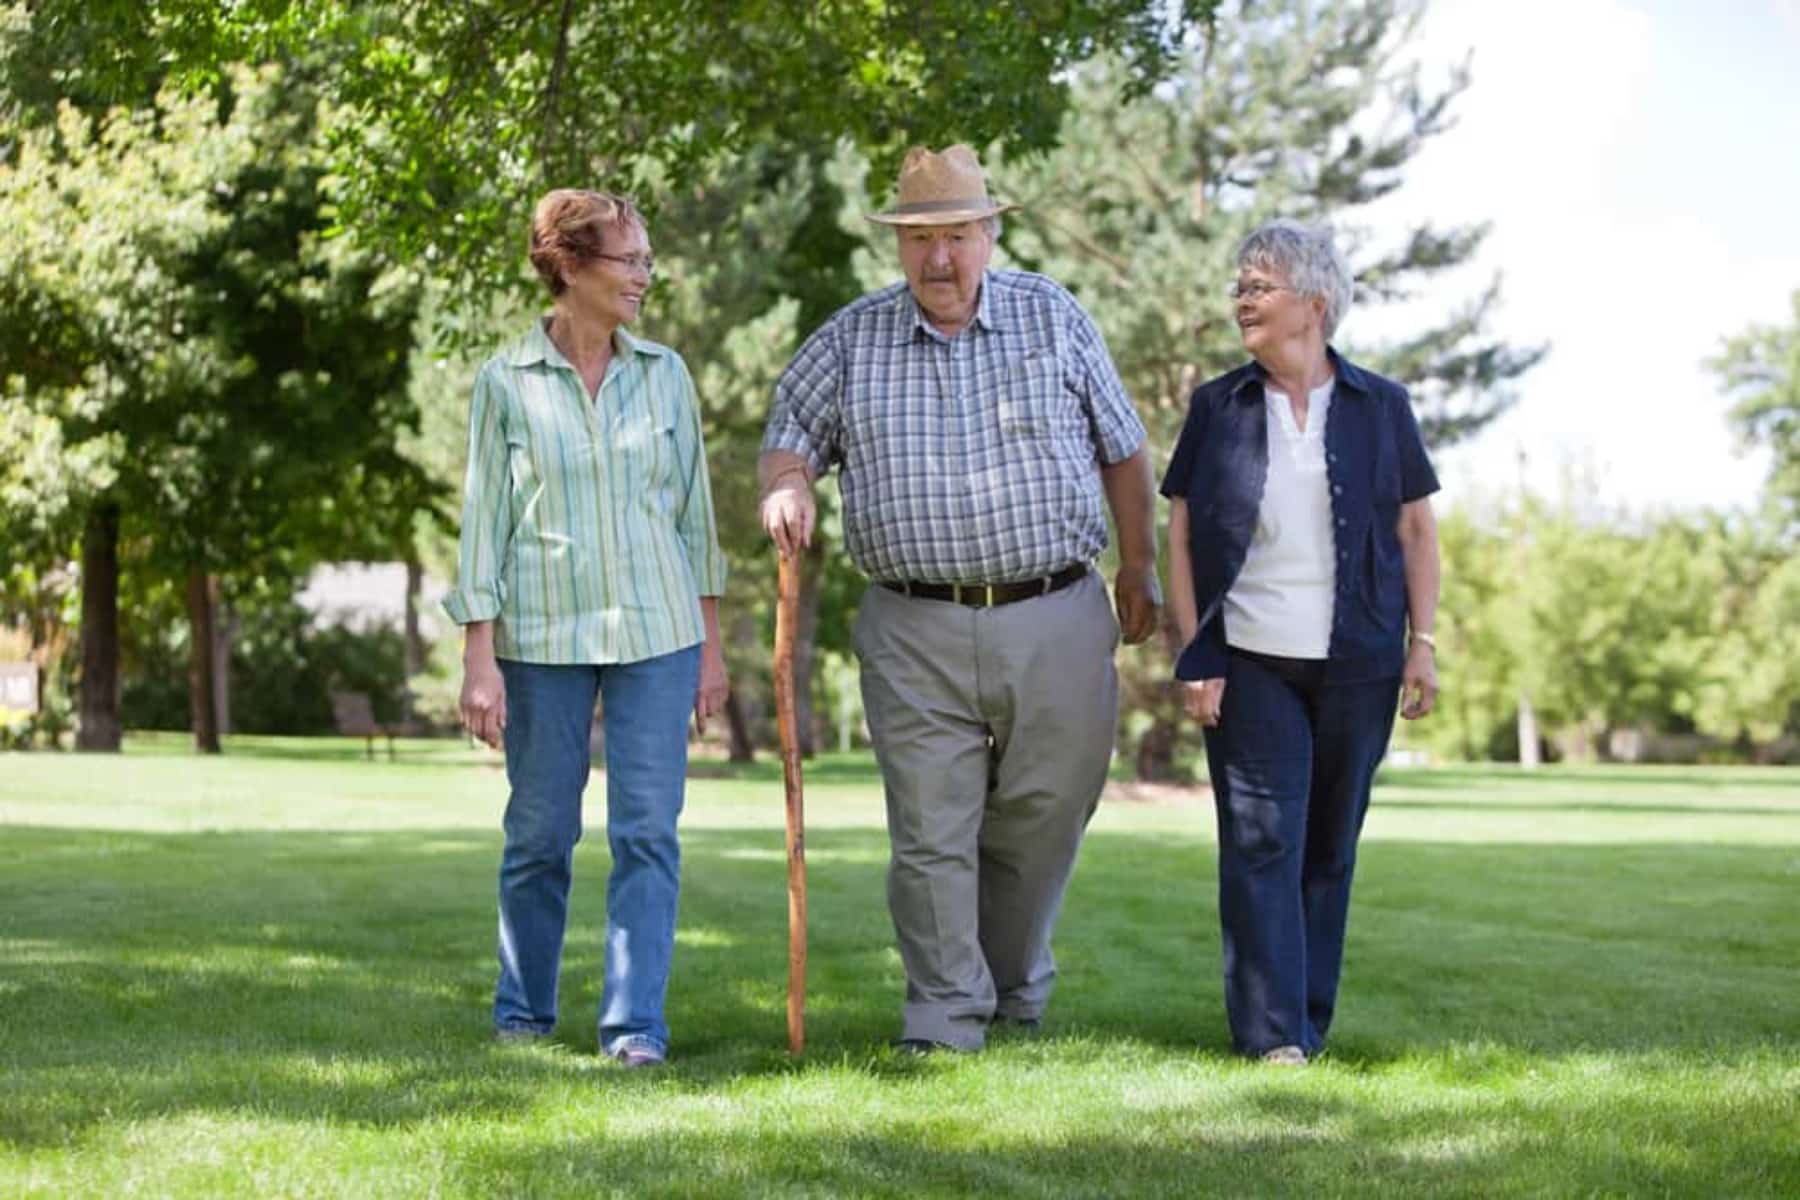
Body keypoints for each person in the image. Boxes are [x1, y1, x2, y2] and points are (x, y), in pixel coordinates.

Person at [759, 144, 1160, 1053]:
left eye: (955, 237)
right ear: (897, 246)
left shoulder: (1051, 316)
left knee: (1045, 811)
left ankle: (1012, 985)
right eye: (919, 239)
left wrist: (1139, 567)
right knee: (932, 829)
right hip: (912, 623)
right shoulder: (851, 338)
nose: (938, 259)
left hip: (1055, 610)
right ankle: (943, 1014)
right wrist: (785, 486)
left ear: (991, 234)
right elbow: (788, 435)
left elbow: (1123, 448)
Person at [443, 188, 730, 1068]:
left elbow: (695, 518)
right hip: (540, 642)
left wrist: (711, 649)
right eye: (628, 260)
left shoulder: (666, 373)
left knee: (648, 832)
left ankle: (634, 1025)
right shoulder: (506, 382)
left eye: (646, 260)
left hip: (657, 634)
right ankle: (524, 1012)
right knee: (539, 834)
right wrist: (478, 659)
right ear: (570, 265)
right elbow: (484, 521)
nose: (645, 276)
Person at [1162, 218, 1441, 1065]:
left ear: (1313, 305)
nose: (1241, 299)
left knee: (1328, 848)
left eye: (1259, 286)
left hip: (1358, 659)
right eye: (1239, 285)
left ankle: (1308, 1022)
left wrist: (1421, 641)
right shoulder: (1219, 405)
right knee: (1260, 842)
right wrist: (1195, 650)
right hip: (1250, 658)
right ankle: (1271, 1036)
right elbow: (1179, 536)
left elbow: (1417, 533)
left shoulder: (1380, 406)